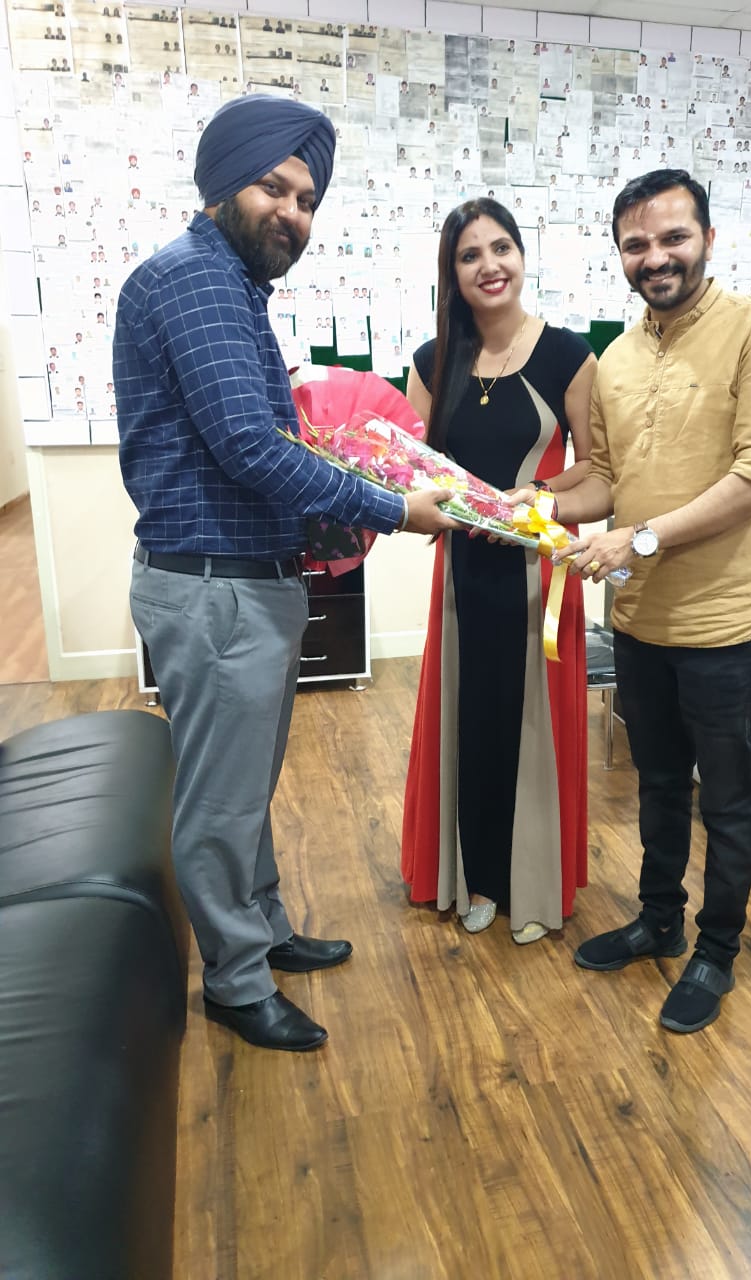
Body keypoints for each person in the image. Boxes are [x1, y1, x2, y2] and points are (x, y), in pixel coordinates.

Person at [113, 95, 456, 1054]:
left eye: (307, 199)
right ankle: (234, 980)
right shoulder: (196, 280)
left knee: (245, 786)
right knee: (222, 800)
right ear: (225, 182)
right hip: (215, 586)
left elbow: (256, 441)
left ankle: (262, 929)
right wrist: (394, 506)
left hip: (241, 582)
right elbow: (249, 448)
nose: (293, 213)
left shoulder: (226, 284)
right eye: (275, 188)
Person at [513, 169, 751, 1032]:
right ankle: (659, 919)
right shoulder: (618, 358)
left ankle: (717, 950)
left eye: (673, 238)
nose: (656, 257)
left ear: (708, 239)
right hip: (641, 617)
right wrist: (529, 503)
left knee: (729, 798)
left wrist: (637, 541)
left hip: (726, 621)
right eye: (636, 244)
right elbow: (606, 477)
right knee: (659, 783)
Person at [401, 198, 596, 944]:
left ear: (521, 255)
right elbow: (412, 473)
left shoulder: (569, 355)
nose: (489, 265)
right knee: (470, 723)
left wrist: (539, 496)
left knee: (533, 729)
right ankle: (475, 877)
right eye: (470, 254)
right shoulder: (432, 362)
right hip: (461, 576)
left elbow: (602, 475)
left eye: (501, 248)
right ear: (451, 273)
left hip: (539, 579)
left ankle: (532, 882)